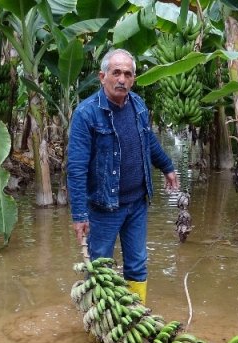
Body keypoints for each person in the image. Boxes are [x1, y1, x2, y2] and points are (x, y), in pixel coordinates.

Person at [66, 48, 179, 304]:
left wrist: (167, 167)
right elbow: (76, 167)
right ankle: (100, 318)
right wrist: (79, 215)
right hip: (104, 207)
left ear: (133, 79)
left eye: (128, 74)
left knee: (137, 264)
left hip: (137, 203)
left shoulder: (138, 105)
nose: (122, 79)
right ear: (102, 76)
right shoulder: (86, 114)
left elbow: (148, 141)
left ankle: (136, 314)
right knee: (100, 268)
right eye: (116, 73)